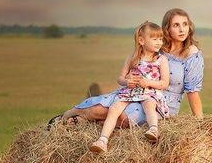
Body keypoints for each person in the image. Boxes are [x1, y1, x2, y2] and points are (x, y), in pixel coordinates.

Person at [55, 8, 204, 127]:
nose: (182, 29)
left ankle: (82, 122)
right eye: (176, 25)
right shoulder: (157, 47)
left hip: (161, 104)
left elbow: (193, 92)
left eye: (185, 24)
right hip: (135, 93)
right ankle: (62, 118)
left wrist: (200, 125)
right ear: (167, 28)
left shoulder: (192, 54)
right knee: (98, 108)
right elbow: (136, 63)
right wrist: (129, 79)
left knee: (122, 118)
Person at [90, 21, 169, 153]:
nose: (159, 42)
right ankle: (102, 140)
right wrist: (127, 82)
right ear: (141, 40)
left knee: (149, 104)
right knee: (114, 108)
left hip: (150, 91)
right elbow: (120, 78)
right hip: (131, 91)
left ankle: (153, 129)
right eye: (154, 39)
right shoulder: (132, 58)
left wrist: (148, 83)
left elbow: (164, 83)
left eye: (160, 39)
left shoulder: (161, 60)